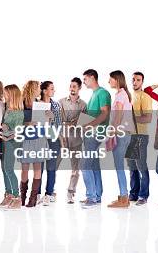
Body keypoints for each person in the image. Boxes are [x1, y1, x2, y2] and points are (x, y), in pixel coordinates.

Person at [80, 69, 111, 209]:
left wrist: (88, 125)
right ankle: (97, 195)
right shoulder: (93, 95)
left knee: (85, 165)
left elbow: (105, 114)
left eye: (85, 79)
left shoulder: (103, 93)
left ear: (92, 78)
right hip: (90, 133)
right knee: (93, 165)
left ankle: (91, 198)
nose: (84, 82)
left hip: (95, 133)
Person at [106, 70, 134, 208]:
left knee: (119, 166)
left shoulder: (120, 95)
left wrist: (111, 132)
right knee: (120, 166)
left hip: (120, 133)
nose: (108, 82)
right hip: (126, 133)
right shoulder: (124, 94)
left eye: (110, 79)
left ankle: (123, 198)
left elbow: (118, 116)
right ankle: (124, 197)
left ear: (116, 80)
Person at [58, 77, 87, 204]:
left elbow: (84, 123)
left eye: (74, 86)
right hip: (61, 138)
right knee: (54, 165)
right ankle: (49, 191)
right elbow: (57, 121)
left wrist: (76, 123)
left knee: (75, 169)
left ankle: (71, 192)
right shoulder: (61, 102)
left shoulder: (83, 105)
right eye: (70, 86)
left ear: (79, 88)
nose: (72, 89)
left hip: (76, 140)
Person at [0, 84, 24, 210]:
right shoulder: (8, 109)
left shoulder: (18, 112)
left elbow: (17, 132)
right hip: (5, 141)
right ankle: (8, 194)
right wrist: (4, 128)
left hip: (12, 142)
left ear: (12, 95)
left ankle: (17, 197)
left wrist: (6, 133)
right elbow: (7, 126)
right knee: (4, 168)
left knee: (8, 168)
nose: (4, 95)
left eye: (6, 93)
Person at [128, 72, 153, 205]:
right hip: (130, 136)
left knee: (141, 165)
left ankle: (143, 196)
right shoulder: (129, 96)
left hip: (141, 136)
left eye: (138, 80)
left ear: (142, 82)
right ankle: (133, 194)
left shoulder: (145, 97)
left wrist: (130, 119)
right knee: (132, 166)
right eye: (133, 80)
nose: (135, 82)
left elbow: (148, 118)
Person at [19, 80, 44, 208]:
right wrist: (27, 124)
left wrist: (47, 117)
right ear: (32, 89)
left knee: (37, 168)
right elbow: (17, 121)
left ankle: (33, 198)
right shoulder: (21, 104)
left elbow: (46, 121)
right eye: (38, 88)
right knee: (24, 169)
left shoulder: (40, 104)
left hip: (38, 138)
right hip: (25, 138)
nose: (40, 90)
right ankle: (22, 196)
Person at [39, 81, 63, 206]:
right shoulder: (37, 104)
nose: (54, 91)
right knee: (39, 167)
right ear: (44, 91)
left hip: (53, 139)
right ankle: (36, 193)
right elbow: (34, 123)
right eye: (51, 89)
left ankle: (48, 194)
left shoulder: (56, 106)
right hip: (40, 138)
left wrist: (52, 117)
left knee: (51, 167)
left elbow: (59, 126)